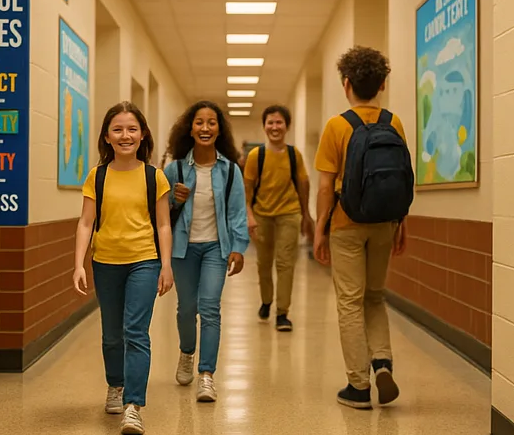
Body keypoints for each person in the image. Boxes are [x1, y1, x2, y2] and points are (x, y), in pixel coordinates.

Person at [313, 47, 413, 410]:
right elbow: (401, 178)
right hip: (385, 222)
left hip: (347, 223)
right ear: (382, 84)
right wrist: (401, 222)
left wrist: (320, 229)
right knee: (375, 296)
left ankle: (358, 385)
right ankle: (382, 362)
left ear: (346, 84)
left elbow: (326, 186)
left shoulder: (337, 126)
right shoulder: (394, 122)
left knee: (350, 303)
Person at [74, 101, 174, 435]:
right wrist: (79, 263)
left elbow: (163, 225)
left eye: (132, 129)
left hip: (144, 261)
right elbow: (86, 222)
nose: (125, 135)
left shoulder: (153, 176)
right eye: (118, 129)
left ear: (143, 134)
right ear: (106, 136)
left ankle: (134, 406)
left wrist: (166, 265)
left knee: (136, 332)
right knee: (111, 336)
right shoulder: (97, 176)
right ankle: (115, 385)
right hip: (105, 263)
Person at [164, 101, 249, 403]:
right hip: (182, 249)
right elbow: (161, 213)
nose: (205, 128)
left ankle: (206, 375)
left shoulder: (229, 171)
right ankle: (187, 352)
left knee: (210, 307)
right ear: (190, 129)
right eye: (199, 122)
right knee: (187, 308)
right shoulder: (173, 169)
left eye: (211, 122)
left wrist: (238, 248)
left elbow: (237, 212)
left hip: (216, 247)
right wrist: (174, 199)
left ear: (219, 130)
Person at [243, 105, 314, 331]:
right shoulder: (256, 156)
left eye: (279, 122)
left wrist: (306, 215)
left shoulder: (295, 155)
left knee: (285, 264)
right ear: (264, 127)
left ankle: (283, 313)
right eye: (270, 122)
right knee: (264, 263)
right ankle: (266, 300)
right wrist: (249, 215)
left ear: (287, 126)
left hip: (289, 214)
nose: (275, 127)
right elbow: (247, 189)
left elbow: (303, 183)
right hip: (262, 215)